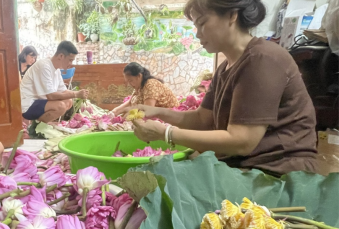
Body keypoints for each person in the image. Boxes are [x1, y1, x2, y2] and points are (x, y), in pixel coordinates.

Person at [124, 0, 319, 176]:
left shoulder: (262, 60)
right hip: (244, 166)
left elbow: (242, 141)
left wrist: (165, 133)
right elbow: (202, 119)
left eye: (202, 23)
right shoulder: (226, 67)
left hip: (277, 173)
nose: (198, 33)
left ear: (232, 15)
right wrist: (156, 112)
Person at [21, 40, 89, 123]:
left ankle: (43, 124)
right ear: (61, 56)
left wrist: (78, 94)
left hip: (40, 102)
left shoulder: (56, 70)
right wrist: (76, 94)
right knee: (60, 106)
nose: (71, 64)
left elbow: (63, 91)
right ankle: (36, 127)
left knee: (68, 101)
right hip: (28, 105)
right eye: (70, 60)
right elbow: (51, 96)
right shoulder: (44, 66)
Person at [111, 62, 179, 116]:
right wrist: (114, 112)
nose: (129, 84)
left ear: (139, 76)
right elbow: (130, 102)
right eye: (128, 81)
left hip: (170, 118)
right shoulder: (140, 87)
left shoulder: (151, 85)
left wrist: (128, 112)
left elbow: (148, 110)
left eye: (131, 80)